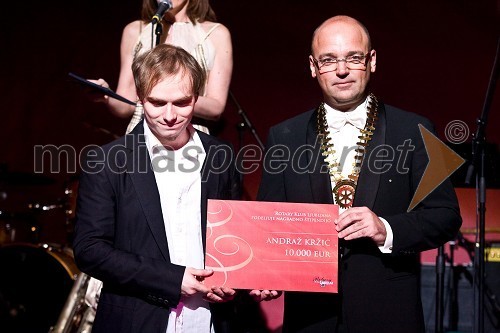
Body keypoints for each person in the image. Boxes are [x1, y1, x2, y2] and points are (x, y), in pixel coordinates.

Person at [257, 15, 462, 333]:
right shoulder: (283, 135)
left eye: (353, 58)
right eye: (329, 60)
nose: (341, 70)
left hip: (388, 314)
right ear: (313, 66)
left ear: (372, 60)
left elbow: (445, 216)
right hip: (310, 319)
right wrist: (268, 273)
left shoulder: (417, 129)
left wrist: (386, 228)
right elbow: (270, 226)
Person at [73, 44, 240, 333]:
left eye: (182, 102)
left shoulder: (221, 156)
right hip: (135, 320)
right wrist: (172, 279)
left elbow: (234, 237)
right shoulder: (106, 161)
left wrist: (231, 281)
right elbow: (90, 250)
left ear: (196, 97)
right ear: (139, 97)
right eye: (157, 102)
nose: (170, 115)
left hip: (209, 320)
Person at [91, 0, 232, 134]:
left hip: (188, 137)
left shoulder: (215, 34)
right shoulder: (135, 31)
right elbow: (126, 106)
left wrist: (175, 97)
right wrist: (106, 95)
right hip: (143, 134)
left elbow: (216, 108)